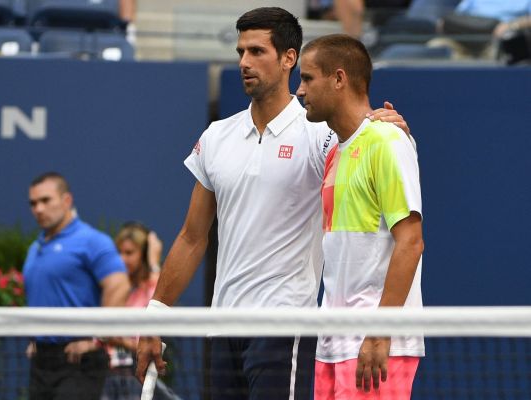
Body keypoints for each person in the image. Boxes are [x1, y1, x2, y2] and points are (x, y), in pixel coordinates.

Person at [136, 7, 411, 400]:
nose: (244, 62)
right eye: (241, 52)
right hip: (222, 329)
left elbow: (365, 141)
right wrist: (154, 317)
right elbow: (192, 237)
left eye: (257, 51)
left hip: (284, 327)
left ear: (289, 59)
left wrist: (387, 127)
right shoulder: (217, 136)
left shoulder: (321, 135)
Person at [296, 34, 424, 399]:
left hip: (376, 342)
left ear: (339, 78)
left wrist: (380, 331)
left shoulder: (387, 141)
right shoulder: (335, 152)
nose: (300, 91)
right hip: (333, 343)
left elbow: (411, 242)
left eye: (307, 78)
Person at [23, 172, 131, 400]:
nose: (39, 209)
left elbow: (119, 285)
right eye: (33, 203)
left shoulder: (92, 241)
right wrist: (36, 339)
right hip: (41, 362)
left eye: (45, 200)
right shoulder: (35, 248)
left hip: (79, 360)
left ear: (66, 201)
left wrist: (97, 337)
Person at [101, 222, 163, 400]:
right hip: (108, 374)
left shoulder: (152, 285)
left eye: (129, 253)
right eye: (119, 253)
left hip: (139, 375)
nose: (122, 259)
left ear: (142, 255)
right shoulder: (116, 287)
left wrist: (153, 262)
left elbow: (151, 341)